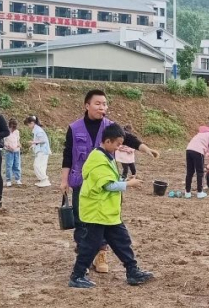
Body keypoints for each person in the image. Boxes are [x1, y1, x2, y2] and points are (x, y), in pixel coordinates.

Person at [60, 89, 160, 252]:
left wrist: (145, 148)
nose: (102, 107)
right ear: (87, 105)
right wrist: (64, 180)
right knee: (81, 219)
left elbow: (129, 138)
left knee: (105, 218)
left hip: (105, 179)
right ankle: (83, 253)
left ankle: (101, 253)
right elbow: (68, 154)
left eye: (105, 104)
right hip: (81, 181)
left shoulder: (110, 126)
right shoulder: (74, 128)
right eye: (97, 104)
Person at [67, 124, 155, 289]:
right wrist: (129, 184)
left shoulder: (106, 156)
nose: (118, 147)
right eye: (117, 144)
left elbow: (111, 182)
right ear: (107, 141)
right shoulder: (98, 159)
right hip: (97, 211)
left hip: (107, 212)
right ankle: (77, 275)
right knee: (90, 245)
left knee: (122, 240)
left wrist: (124, 182)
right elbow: (108, 186)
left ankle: (132, 271)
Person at [185, 119, 209, 199]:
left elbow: (204, 147)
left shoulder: (202, 132)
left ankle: (187, 192)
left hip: (189, 150)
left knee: (190, 172)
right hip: (198, 152)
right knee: (200, 172)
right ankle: (200, 192)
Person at [24, 115, 52, 187]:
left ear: (32, 123)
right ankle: (43, 180)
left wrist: (33, 142)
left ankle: (44, 179)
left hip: (43, 151)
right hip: (42, 150)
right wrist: (33, 145)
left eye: (28, 125)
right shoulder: (37, 129)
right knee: (41, 166)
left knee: (37, 165)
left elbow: (42, 140)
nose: (28, 126)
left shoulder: (38, 130)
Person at [3, 118, 22, 187]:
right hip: (9, 151)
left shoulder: (17, 132)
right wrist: (8, 147)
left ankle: (18, 179)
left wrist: (19, 145)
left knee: (17, 165)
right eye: (12, 126)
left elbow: (18, 140)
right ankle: (8, 180)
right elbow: (4, 142)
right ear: (9, 125)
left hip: (17, 151)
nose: (13, 128)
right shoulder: (6, 132)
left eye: (15, 126)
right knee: (9, 166)